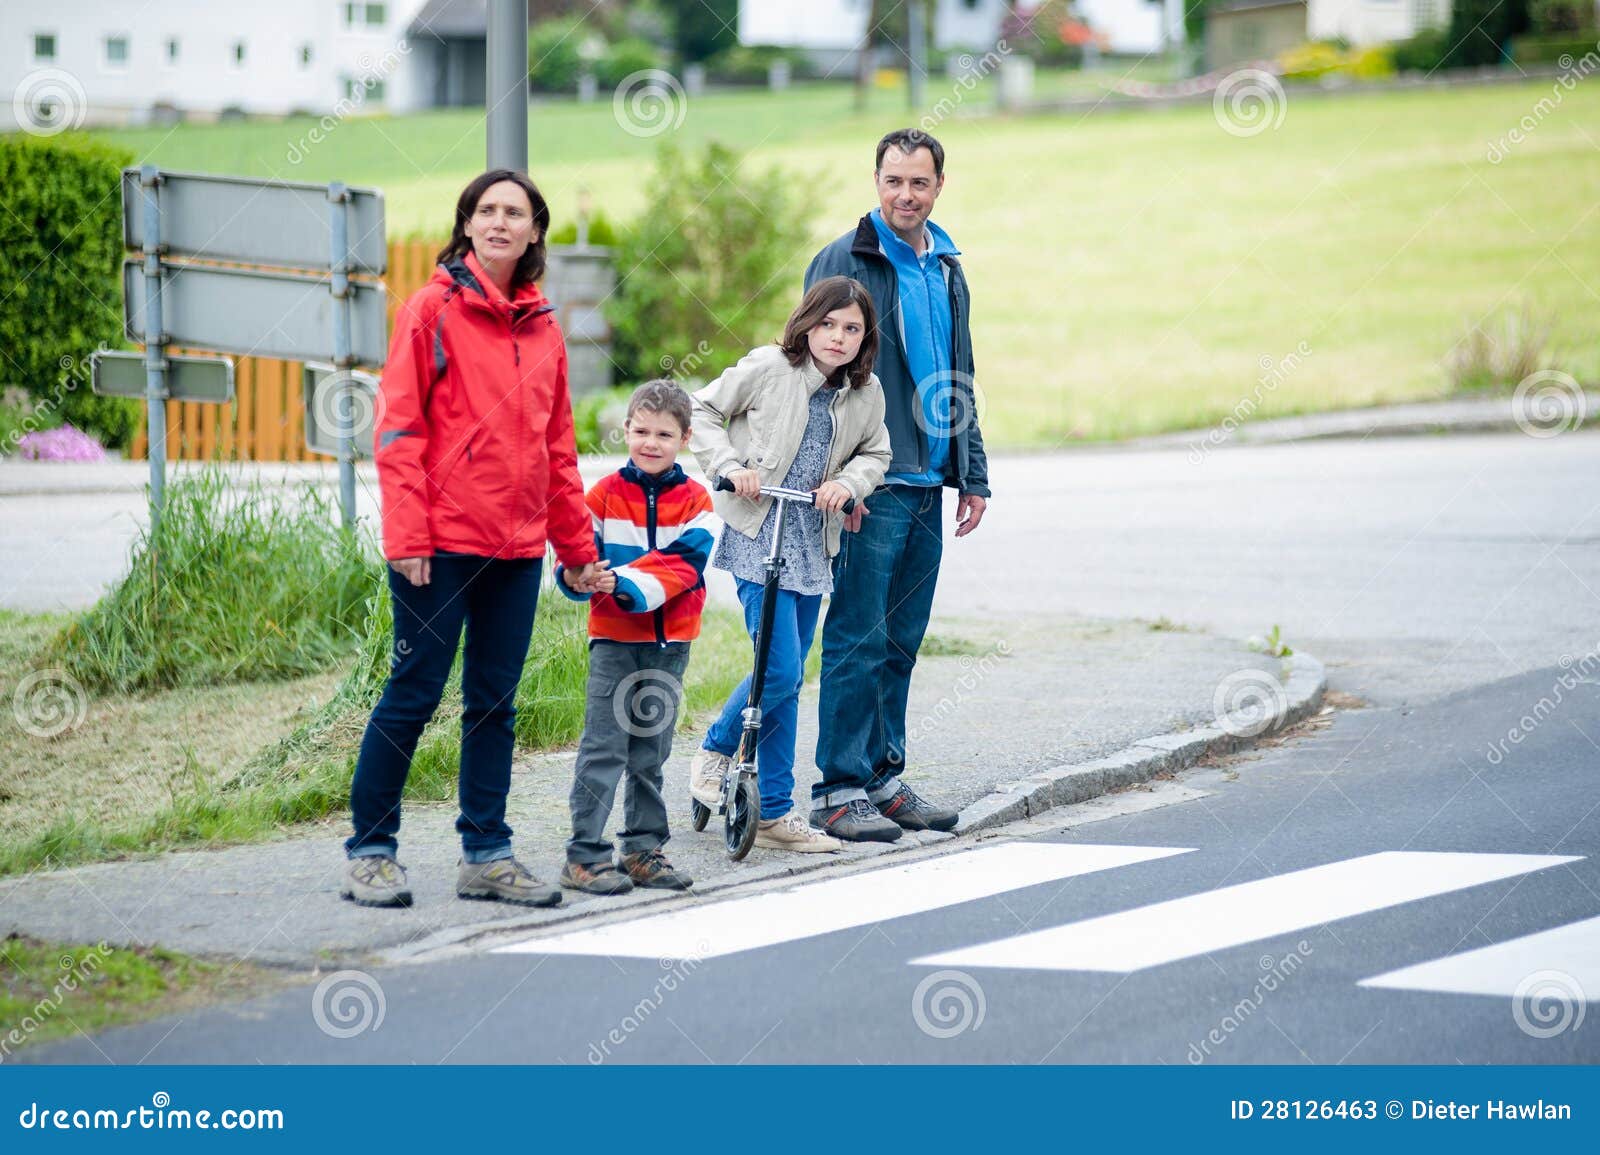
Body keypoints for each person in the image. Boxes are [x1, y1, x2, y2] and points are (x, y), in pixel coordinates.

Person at [341, 169, 604, 909]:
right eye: (484, 210)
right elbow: (398, 429)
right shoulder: (430, 310)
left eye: (512, 212)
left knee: (494, 703)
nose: (497, 222)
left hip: (516, 552)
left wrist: (578, 551)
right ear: (466, 226)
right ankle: (371, 850)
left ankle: (486, 853)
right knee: (414, 691)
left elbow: (559, 450)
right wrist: (407, 535)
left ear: (532, 231)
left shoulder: (544, 326)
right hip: (439, 547)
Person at [803, 128, 992, 843]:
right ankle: (838, 786)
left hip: (930, 480)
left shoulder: (947, 267)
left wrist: (971, 470)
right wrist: (831, 477)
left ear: (939, 185)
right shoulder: (845, 259)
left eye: (919, 183)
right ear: (875, 182)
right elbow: (810, 371)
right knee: (858, 631)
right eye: (893, 181)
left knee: (902, 637)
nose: (905, 195)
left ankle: (883, 778)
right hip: (868, 481)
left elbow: (960, 372)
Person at [688, 276, 892, 852]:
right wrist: (730, 465)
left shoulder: (865, 392)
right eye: (828, 323)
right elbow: (702, 409)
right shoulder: (770, 366)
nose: (838, 336)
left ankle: (775, 810)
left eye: (852, 328)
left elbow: (877, 452)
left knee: (790, 677)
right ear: (807, 321)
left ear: (863, 339)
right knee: (777, 673)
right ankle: (716, 749)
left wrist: (849, 484)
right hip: (761, 531)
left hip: (812, 536)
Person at [554, 379, 715, 895]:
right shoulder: (600, 496)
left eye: (663, 434)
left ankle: (643, 849)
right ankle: (584, 855)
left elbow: (684, 565)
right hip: (613, 642)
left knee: (651, 750)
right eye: (641, 430)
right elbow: (575, 558)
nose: (650, 442)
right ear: (625, 430)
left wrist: (618, 580)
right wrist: (578, 576)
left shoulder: (698, 501)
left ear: (685, 438)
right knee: (603, 748)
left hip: (670, 646)